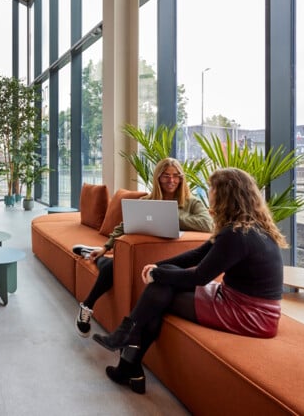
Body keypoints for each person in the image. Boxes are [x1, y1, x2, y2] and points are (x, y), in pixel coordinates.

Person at [92, 167, 285, 394]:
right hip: (240, 301)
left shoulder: (236, 234)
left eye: (212, 188)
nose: (209, 193)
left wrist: (157, 274)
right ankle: (127, 356)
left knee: (160, 292)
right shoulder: (245, 226)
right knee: (162, 285)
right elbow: (196, 255)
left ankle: (127, 351)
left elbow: (200, 277)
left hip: (249, 314)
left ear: (224, 194)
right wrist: (160, 266)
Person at [74, 158, 213, 338]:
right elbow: (124, 226)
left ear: (181, 179)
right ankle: (87, 306)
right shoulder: (147, 201)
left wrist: (170, 216)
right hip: (139, 254)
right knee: (110, 266)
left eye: (175, 176)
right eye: (166, 176)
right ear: (158, 178)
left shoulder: (192, 203)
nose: (171, 181)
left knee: (111, 265)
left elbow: (207, 224)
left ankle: (88, 254)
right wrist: (106, 247)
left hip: (170, 260)